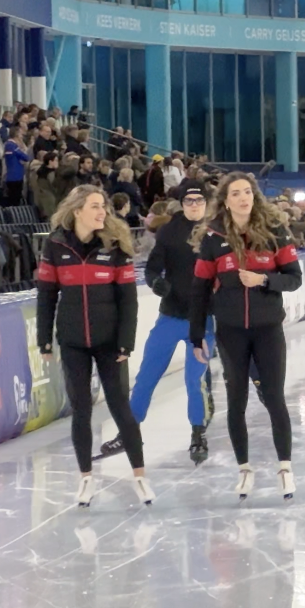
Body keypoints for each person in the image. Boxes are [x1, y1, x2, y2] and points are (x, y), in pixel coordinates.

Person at [190, 172, 303, 500]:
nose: (243, 198)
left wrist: (264, 280)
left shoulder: (274, 231)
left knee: (275, 398)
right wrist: (197, 334)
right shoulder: (213, 237)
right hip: (230, 331)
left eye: (247, 192)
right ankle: (244, 470)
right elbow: (198, 290)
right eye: (236, 193)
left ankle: (285, 468)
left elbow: (294, 278)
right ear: (225, 200)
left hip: (268, 329)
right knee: (236, 401)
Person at [36, 185, 150, 508]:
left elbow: (129, 301)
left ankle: (140, 476)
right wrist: (44, 338)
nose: (103, 212)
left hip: (110, 342)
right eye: (96, 206)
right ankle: (85, 478)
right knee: (81, 410)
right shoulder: (55, 245)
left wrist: (126, 341)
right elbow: (46, 295)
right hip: (72, 342)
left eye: (104, 207)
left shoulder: (114, 247)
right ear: (78, 211)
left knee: (120, 409)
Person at [126, 182, 217, 464]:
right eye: (189, 201)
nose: (194, 206)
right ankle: (130, 429)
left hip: (203, 320)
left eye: (198, 201)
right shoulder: (169, 231)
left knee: (194, 379)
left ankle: (198, 433)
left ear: (206, 204)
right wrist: (156, 283)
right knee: (146, 375)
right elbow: (152, 267)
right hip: (170, 315)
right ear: (182, 203)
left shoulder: (216, 232)